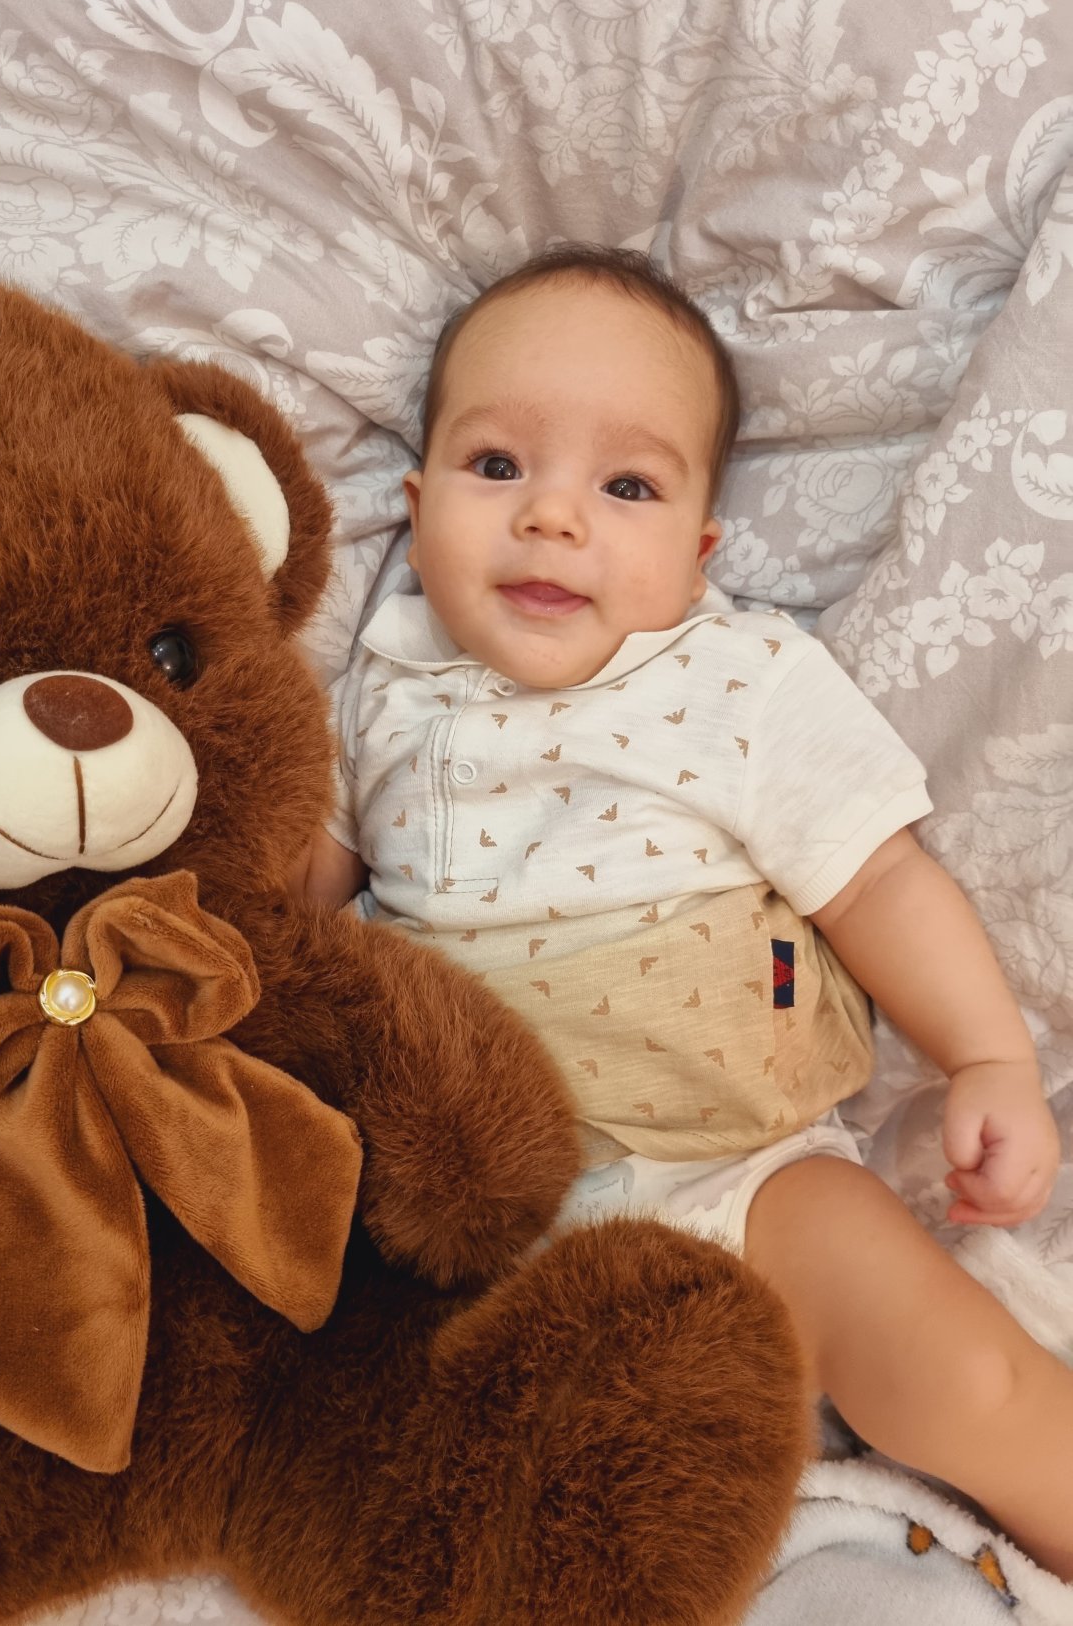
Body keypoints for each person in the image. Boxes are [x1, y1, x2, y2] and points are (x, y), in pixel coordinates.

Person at [293, 243, 1073, 1580]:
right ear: (416, 511)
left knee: (956, 1371)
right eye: (497, 466)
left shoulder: (741, 676)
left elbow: (878, 879)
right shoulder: (380, 690)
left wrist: (988, 1054)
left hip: (746, 1181)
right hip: (481, 1231)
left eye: (628, 486)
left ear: (700, 548)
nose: (553, 516)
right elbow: (294, 911)